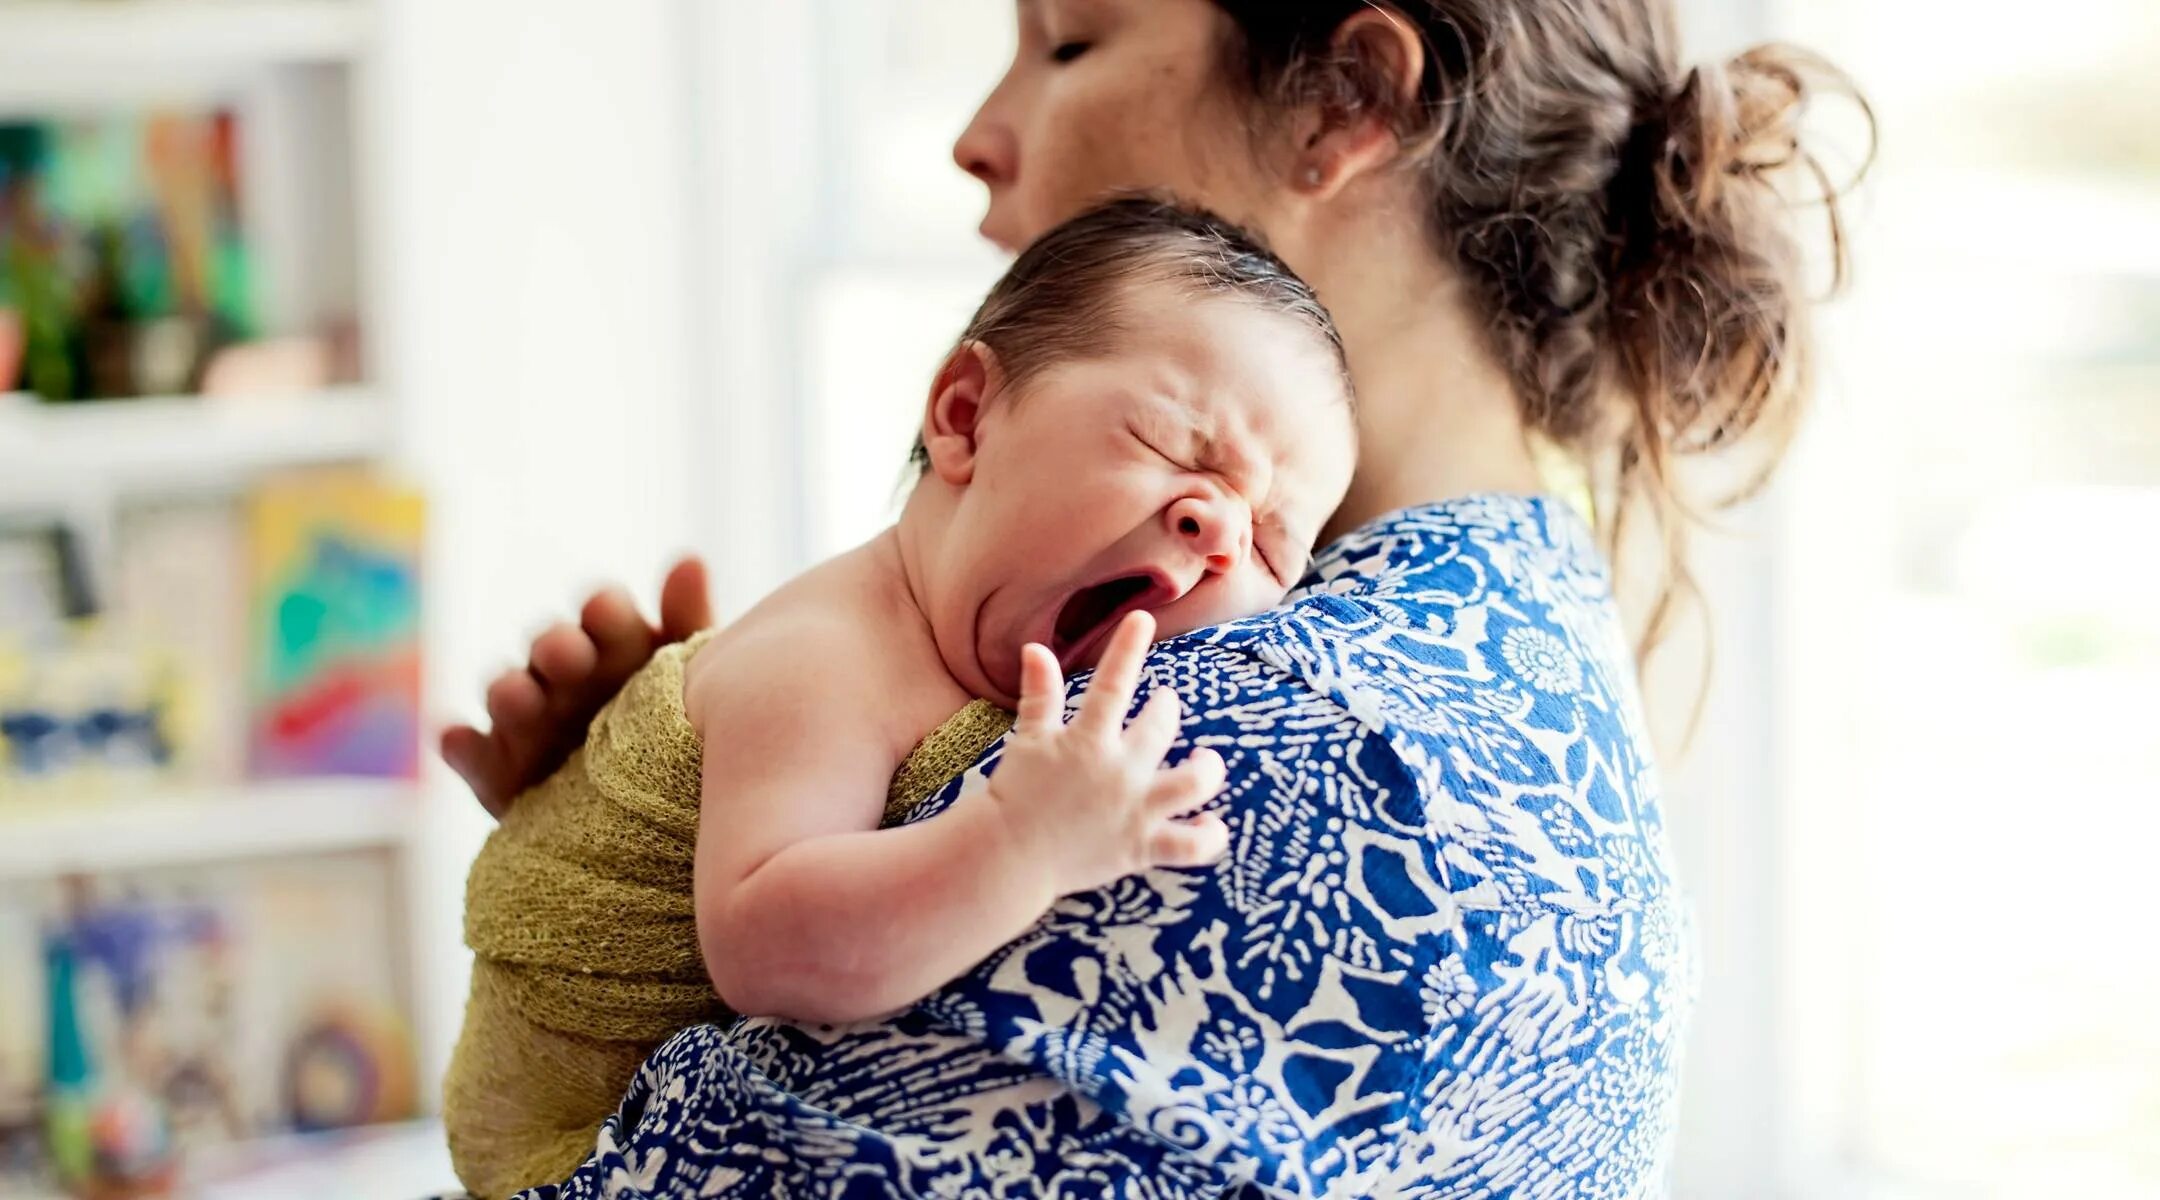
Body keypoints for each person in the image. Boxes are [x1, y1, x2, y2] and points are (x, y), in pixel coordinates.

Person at [442, 2, 1866, 1195]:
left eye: (1068, 43)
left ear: (1343, 102)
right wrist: (629, 826)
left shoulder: (1280, 746)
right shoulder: (1505, 640)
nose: (975, 139)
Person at [441, 199, 1358, 1199]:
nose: (1217, 526)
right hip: (562, 1145)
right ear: (966, 415)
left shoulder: (1011, 658)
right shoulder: (826, 661)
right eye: (1178, 444)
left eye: (1273, 542)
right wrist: (1021, 843)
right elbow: (765, 943)